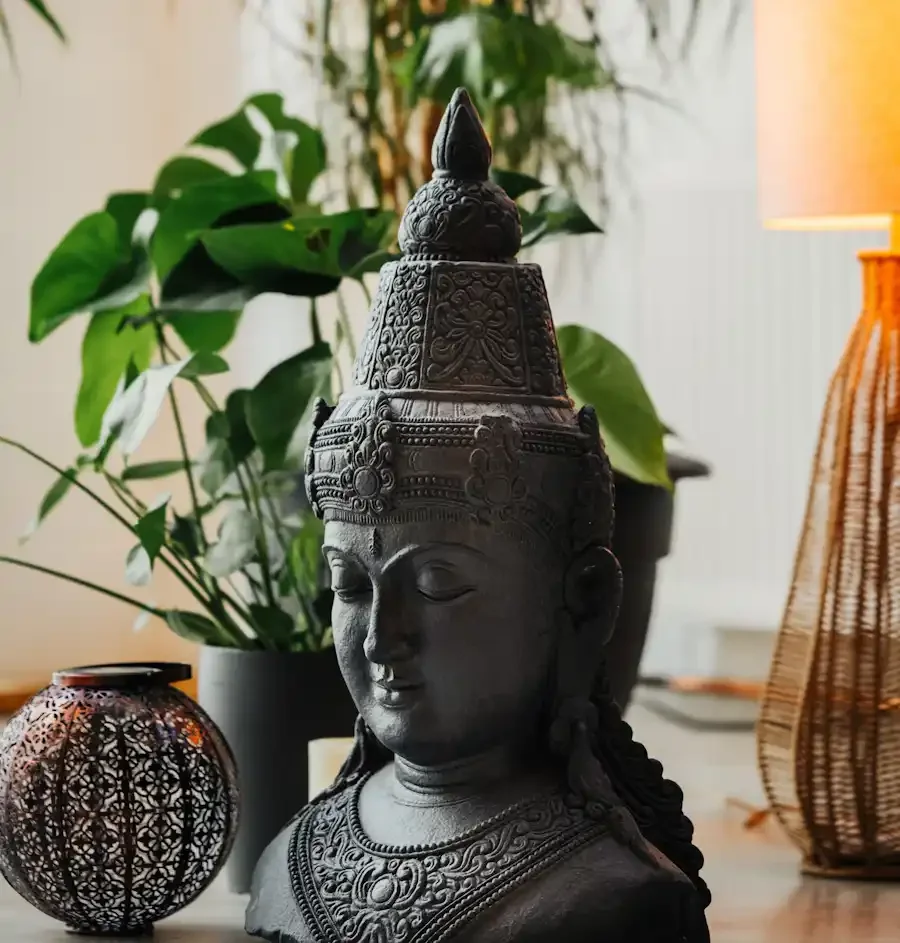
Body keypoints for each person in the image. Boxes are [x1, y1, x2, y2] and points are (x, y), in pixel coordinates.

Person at [246, 88, 710, 943]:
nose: (384, 636)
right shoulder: (292, 863)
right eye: (352, 584)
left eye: (438, 581)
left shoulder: (610, 898)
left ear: (583, 602)